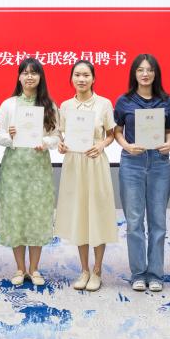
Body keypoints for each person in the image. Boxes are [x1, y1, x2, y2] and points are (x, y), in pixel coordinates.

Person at [0, 57, 59, 287]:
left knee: (37, 215)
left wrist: (44, 142)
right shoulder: (8, 104)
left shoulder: (49, 105)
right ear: (19, 77)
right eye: (25, 72)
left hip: (39, 168)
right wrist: (10, 137)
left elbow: (56, 137)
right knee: (16, 215)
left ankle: (35, 268)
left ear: (40, 77)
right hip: (14, 169)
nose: (29, 77)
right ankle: (20, 268)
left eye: (34, 73)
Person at [113, 54, 170, 293]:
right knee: (134, 221)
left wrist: (169, 143)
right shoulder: (124, 101)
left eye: (149, 70)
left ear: (155, 73)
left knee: (158, 222)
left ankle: (156, 274)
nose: (145, 74)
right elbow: (117, 131)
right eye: (140, 70)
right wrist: (126, 146)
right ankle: (138, 273)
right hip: (132, 163)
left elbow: (169, 130)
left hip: (159, 163)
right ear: (134, 73)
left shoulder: (165, 100)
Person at [56, 61, 117, 292]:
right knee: (79, 215)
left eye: (86, 75)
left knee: (97, 214)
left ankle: (97, 270)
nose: (81, 79)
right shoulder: (65, 106)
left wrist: (101, 145)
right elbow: (60, 136)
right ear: (71, 78)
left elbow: (111, 134)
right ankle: (84, 270)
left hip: (95, 163)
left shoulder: (104, 104)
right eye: (77, 75)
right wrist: (61, 145)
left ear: (93, 78)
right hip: (74, 164)